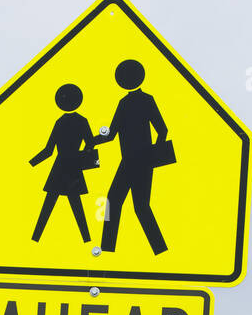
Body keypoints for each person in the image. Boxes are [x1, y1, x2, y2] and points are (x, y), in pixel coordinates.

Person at [97, 59, 169, 255]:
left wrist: (93, 140)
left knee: (119, 202)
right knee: (139, 206)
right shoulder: (143, 100)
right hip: (140, 161)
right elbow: (162, 131)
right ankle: (159, 249)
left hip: (132, 161)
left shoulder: (128, 103)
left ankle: (108, 248)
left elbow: (110, 134)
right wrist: (154, 154)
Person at [29, 83, 98, 243]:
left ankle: (36, 238)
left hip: (60, 167)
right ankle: (86, 239)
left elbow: (48, 150)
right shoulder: (82, 121)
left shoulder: (60, 122)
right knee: (75, 204)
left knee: (50, 204)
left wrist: (33, 163)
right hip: (74, 166)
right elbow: (90, 143)